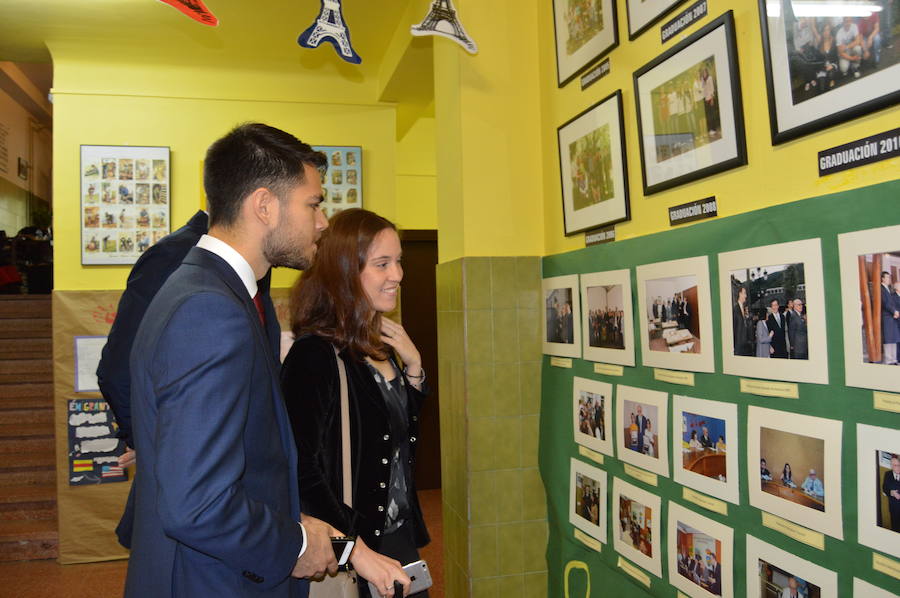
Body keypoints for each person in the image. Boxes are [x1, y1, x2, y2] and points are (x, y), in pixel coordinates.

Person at [124, 123, 338, 597]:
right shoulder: (208, 309)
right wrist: (297, 542)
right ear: (264, 205)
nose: (322, 221)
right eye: (314, 204)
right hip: (212, 580)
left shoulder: (217, 292)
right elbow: (198, 505)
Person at [281, 209, 431, 597]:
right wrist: (353, 547)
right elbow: (301, 468)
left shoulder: (382, 343)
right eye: (382, 264)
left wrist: (414, 369)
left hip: (397, 535)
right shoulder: (315, 354)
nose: (397, 275)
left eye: (398, 262)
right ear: (344, 272)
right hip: (353, 548)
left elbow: (397, 435)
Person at [96, 210, 210, 548]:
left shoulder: (250, 265)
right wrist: (143, 436)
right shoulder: (177, 253)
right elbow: (117, 367)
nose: (320, 222)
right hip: (185, 470)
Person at [880, 272, 899, 364]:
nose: (888, 279)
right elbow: (885, 303)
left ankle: (894, 359)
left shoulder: (889, 288)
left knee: (894, 338)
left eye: (889, 277)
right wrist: (894, 311)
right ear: (882, 278)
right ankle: (888, 360)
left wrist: (896, 312)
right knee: (888, 338)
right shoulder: (881, 289)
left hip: (892, 317)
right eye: (887, 277)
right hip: (886, 317)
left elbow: (892, 303)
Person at [881, 454, 900, 532]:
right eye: (896, 465)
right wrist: (891, 492)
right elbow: (884, 488)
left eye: (899, 465)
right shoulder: (887, 474)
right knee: (895, 527)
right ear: (891, 466)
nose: (898, 467)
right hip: (893, 506)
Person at [733, 286, 753, 356]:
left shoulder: (745, 309)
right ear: (740, 294)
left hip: (747, 345)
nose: (746, 296)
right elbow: (733, 328)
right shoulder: (734, 309)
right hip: (738, 347)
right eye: (744, 293)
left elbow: (747, 325)